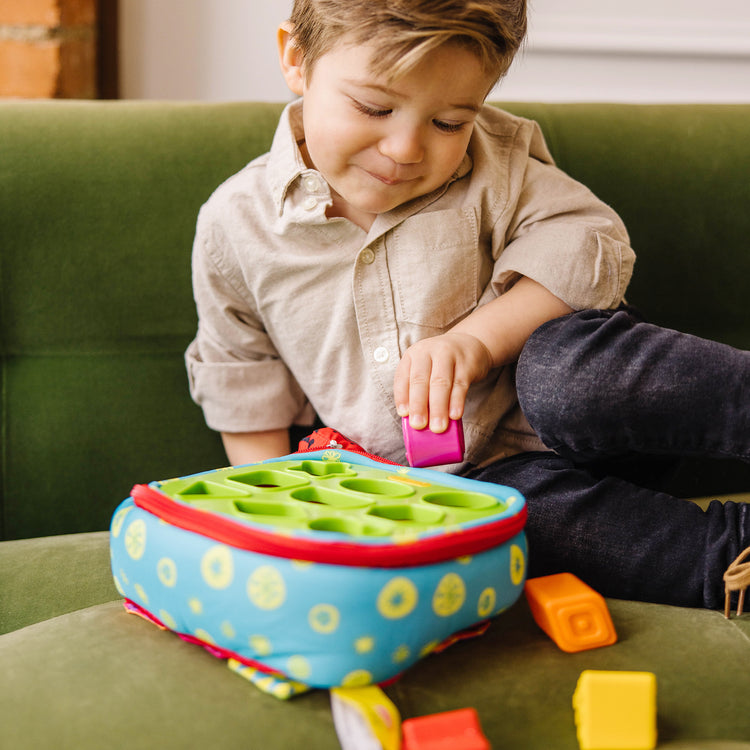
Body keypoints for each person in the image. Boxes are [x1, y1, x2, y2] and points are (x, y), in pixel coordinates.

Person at [186, 0, 749, 610]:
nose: (405, 148)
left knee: (562, 376)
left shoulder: (495, 164)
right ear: (297, 60)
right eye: (374, 107)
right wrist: (280, 524)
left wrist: (476, 341)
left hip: (594, 416)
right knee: (512, 521)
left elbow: (589, 246)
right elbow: (241, 376)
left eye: (450, 122)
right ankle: (729, 559)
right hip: (472, 485)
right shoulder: (235, 226)